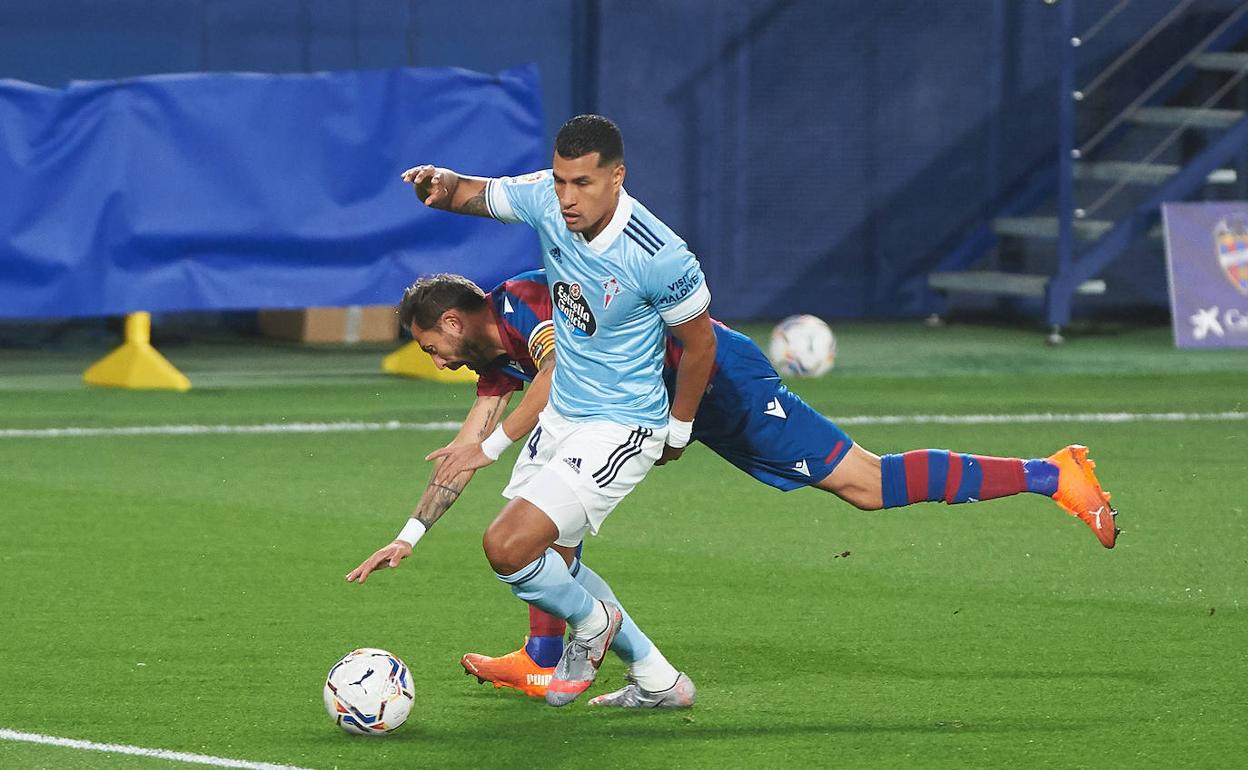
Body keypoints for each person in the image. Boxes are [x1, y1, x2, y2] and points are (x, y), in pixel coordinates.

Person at [351, 269, 1120, 701]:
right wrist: (410, 534)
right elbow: (461, 455)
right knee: (538, 511)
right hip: (645, 407)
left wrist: (494, 440)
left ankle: (1050, 474)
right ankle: (543, 655)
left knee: (867, 484)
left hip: (714, 380)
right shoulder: (492, 358)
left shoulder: (523, 304)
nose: (435, 359)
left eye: (429, 345)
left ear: (453, 319)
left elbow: (551, 376)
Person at [348, 115, 717, 709]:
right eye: (561, 180)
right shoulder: (545, 205)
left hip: (622, 420)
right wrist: (442, 184)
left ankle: (592, 627)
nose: (567, 197)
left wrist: (679, 428)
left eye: (583, 183)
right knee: (547, 563)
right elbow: (475, 191)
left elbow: (693, 347)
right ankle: (658, 680)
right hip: (567, 420)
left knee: (509, 547)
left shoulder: (647, 259)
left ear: (617, 177)